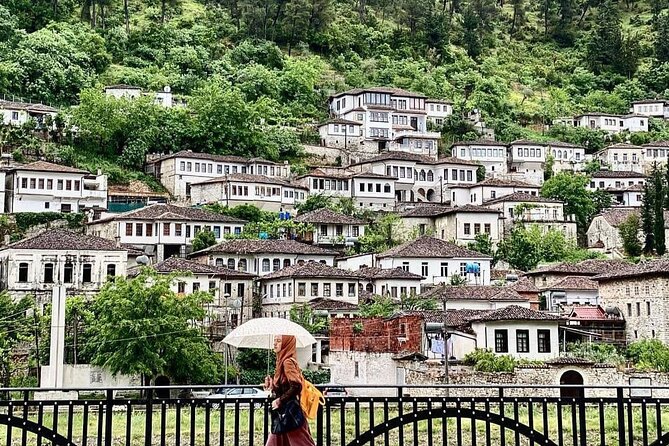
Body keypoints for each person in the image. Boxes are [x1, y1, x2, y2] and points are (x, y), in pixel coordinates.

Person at [264, 335, 316, 446]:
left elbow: (296, 385)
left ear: (286, 344)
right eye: (274, 341)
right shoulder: (282, 361)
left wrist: (279, 401)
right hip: (284, 414)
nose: (275, 343)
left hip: (290, 413)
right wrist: (272, 385)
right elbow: (286, 386)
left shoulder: (287, 362)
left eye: (278, 341)